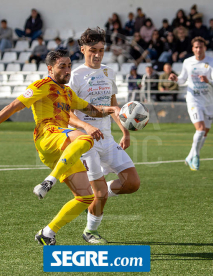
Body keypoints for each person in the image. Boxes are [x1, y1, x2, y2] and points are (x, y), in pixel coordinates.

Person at [0, 49, 119, 246]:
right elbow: (14, 105)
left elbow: (92, 110)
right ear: (50, 68)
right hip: (47, 136)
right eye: (62, 66)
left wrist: (113, 109)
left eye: (69, 66)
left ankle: (47, 232)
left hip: (61, 149)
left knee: (86, 196)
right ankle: (49, 182)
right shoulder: (42, 86)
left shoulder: (67, 92)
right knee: (85, 138)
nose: (67, 70)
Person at [68, 28, 140, 243]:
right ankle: (90, 231)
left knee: (132, 183)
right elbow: (66, 113)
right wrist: (86, 127)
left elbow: (114, 106)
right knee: (98, 195)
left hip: (107, 139)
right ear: (83, 50)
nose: (97, 55)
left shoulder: (109, 72)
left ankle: (99, 195)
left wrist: (125, 132)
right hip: (85, 141)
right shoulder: (75, 76)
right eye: (92, 50)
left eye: (101, 50)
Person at [169, 36, 213, 171]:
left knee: (204, 133)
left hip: (208, 101)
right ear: (193, 49)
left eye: (201, 47)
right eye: (196, 47)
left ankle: (189, 156)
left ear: (205, 48)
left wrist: (208, 81)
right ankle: (196, 156)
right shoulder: (188, 62)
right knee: (201, 128)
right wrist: (175, 79)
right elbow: (182, 79)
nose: (198, 49)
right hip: (193, 100)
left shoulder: (212, 62)